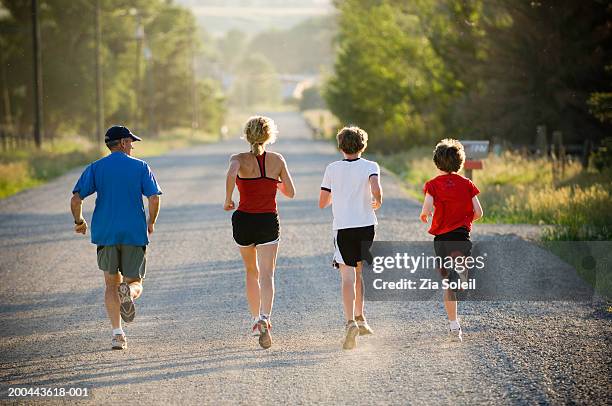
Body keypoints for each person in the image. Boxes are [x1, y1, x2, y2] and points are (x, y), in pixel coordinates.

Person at [71, 125, 162, 350]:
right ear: (122, 143)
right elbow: (153, 198)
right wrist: (151, 222)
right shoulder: (141, 166)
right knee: (135, 282)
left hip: (106, 234)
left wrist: (79, 222)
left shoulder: (95, 167)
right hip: (133, 233)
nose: (132, 146)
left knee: (111, 285)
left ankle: (117, 335)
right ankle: (129, 293)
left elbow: (75, 199)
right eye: (131, 142)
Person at [224, 116, 295, 349]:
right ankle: (265, 317)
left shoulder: (238, 159)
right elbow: (290, 192)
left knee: (251, 271)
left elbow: (231, 173)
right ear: (269, 135)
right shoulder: (277, 160)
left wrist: (228, 199)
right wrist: (273, 182)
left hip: (244, 220)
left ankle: (255, 320)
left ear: (247, 135)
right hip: (267, 221)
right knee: (267, 274)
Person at [319, 126, 382, 350]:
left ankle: (350, 322)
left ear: (340, 146)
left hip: (344, 227)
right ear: (363, 145)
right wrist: (376, 199)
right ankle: (361, 317)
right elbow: (376, 189)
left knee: (346, 277)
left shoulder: (332, 168)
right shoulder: (371, 166)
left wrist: (339, 193)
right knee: (359, 271)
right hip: (366, 226)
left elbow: (322, 202)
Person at [420, 138, 483, 342]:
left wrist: (425, 215)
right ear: (460, 162)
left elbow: (427, 208)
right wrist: (465, 220)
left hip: (441, 239)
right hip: (461, 236)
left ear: (437, 162)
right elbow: (479, 212)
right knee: (461, 267)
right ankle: (462, 276)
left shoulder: (433, 185)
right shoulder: (467, 184)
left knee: (447, 283)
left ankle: (454, 326)